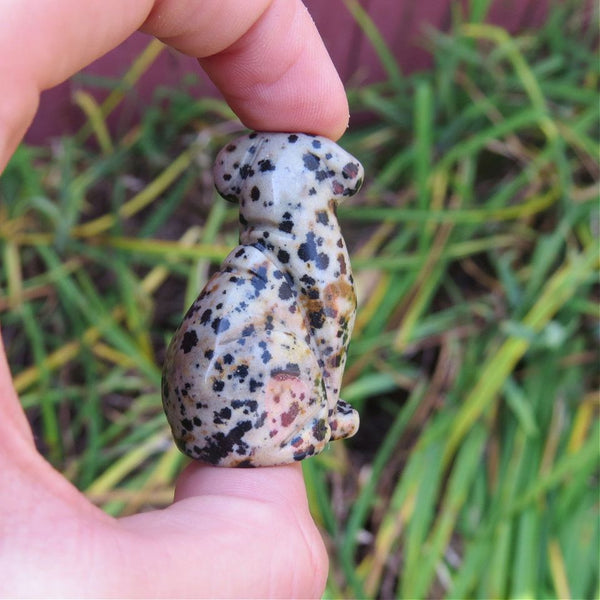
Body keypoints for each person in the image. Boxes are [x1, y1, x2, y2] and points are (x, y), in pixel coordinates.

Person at [0, 1, 350, 596]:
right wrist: (326, 407)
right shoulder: (311, 253)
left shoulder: (256, 255)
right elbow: (329, 330)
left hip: (211, 411)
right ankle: (300, 420)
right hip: (250, 406)